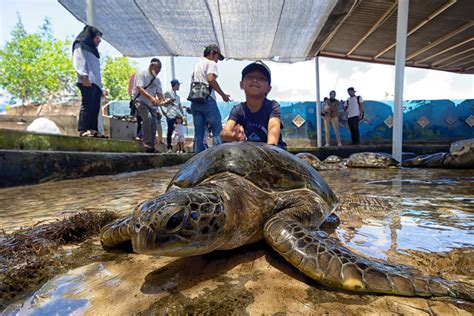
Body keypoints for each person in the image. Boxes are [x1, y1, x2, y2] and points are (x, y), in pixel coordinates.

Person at [220, 61, 286, 149]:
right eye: (250, 77)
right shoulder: (238, 110)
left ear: (268, 88)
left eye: (262, 78)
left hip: (273, 152)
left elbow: (274, 129)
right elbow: (224, 134)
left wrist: (270, 150)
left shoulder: (272, 106)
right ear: (241, 84)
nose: (255, 80)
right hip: (248, 152)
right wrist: (234, 135)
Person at [190, 44, 231, 153]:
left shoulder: (197, 65)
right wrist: (223, 95)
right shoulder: (211, 63)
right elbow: (211, 79)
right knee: (217, 129)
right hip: (207, 100)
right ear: (212, 53)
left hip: (195, 100)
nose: (217, 60)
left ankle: (197, 157)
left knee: (199, 132)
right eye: (217, 57)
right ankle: (219, 155)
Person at [131, 58, 170, 152]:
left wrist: (163, 101)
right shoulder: (142, 74)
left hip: (151, 104)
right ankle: (146, 143)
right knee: (147, 118)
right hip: (140, 101)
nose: (158, 71)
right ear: (151, 66)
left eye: (160, 69)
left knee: (154, 122)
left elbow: (159, 94)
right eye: (157, 68)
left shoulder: (157, 80)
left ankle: (151, 146)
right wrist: (152, 98)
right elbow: (140, 88)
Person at [72, 25, 103, 137]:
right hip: (86, 80)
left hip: (96, 82)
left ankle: (93, 130)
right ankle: (83, 129)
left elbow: (96, 69)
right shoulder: (80, 44)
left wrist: (101, 87)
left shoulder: (94, 50)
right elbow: (78, 60)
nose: (99, 41)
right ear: (91, 36)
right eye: (97, 38)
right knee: (87, 105)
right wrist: (84, 76)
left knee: (95, 107)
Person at [163, 79, 185, 153]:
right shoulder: (167, 93)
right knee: (170, 130)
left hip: (177, 115)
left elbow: (179, 106)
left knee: (179, 132)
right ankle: (169, 147)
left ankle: (179, 148)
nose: (179, 86)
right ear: (175, 85)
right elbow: (162, 100)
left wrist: (183, 115)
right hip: (170, 114)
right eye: (178, 85)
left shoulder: (178, 97)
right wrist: (167, 102)